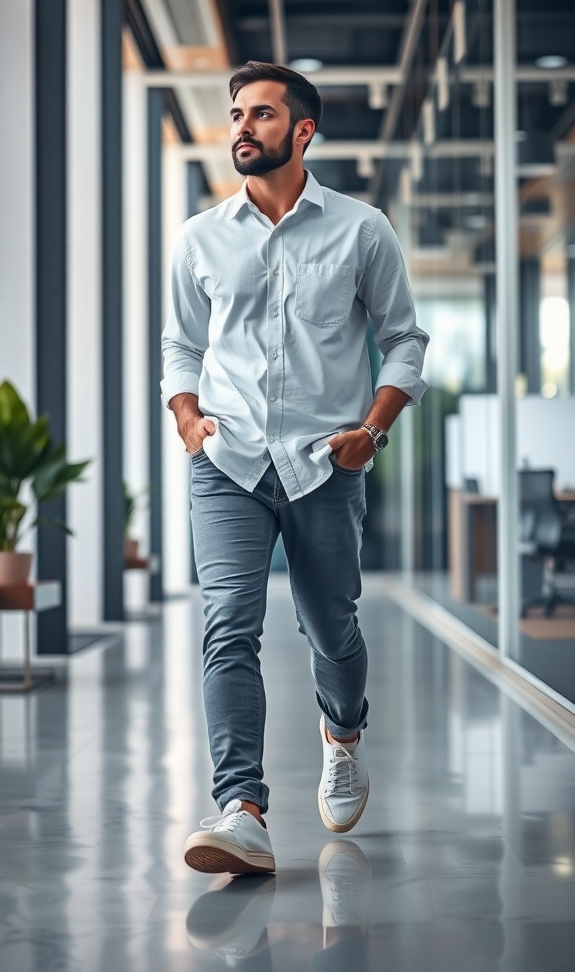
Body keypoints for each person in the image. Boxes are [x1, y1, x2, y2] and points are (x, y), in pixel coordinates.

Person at [161, 60, 429, 876]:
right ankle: (241, 808)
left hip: (325, 462)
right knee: (227, 626)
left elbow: (405, 339)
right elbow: (181, 345)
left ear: (302, 131)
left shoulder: (361, 228)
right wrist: (188, 419)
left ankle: (342, 733)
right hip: (229, 460)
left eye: (261, 115)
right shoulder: (199, 236)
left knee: (331, 629)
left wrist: (372, 432)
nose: (242, 126)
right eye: (236, 114)